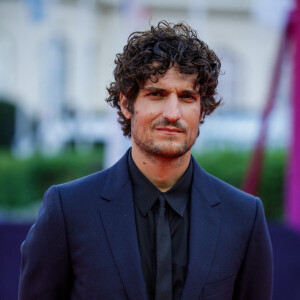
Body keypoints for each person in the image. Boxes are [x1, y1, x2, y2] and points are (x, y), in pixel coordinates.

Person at [19, 21, 273, 300]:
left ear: (201, 111)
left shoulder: (243, 217)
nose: (173, 112)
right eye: (157, 94)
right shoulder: (68, 210)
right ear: (127, 104)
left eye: (187, 97)